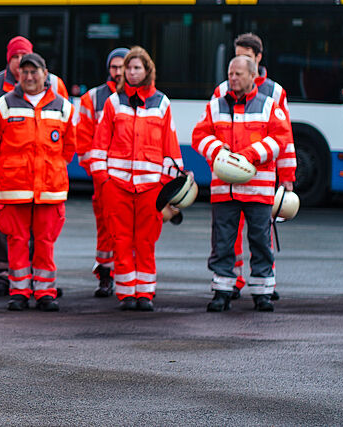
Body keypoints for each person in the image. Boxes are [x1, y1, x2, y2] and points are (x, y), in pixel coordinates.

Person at [194, 56, 292, 312]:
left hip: (258, 190)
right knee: (222, 241)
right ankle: (222, 290)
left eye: (238, 74)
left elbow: (281, 138)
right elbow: (199, 135)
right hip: (224, 189)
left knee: (260, 241)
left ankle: (262, 293)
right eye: (230, 74)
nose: (233, 78)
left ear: (252, 76)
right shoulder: (216, 106)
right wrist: (218, 151)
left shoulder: (269, 106)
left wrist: (248, 156)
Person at [0, 36, 68, 297]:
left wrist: (50, 163)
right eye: (16, 59)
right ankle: (5, 278)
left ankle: (39, 284)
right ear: (9, 60)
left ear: (42, 71)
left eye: (25, 61)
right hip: (8, 177)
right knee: (5, 231)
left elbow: (67, 138)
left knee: (41, 236)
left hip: (43, 180)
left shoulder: (57, 87)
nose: (21, 68)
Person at [91, 46, 183, 312]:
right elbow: (99, 147)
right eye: (128, 68)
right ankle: (126, 294)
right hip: (117, 186)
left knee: (145, 241)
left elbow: (171, 148)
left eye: (137, 68)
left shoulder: (161, 103)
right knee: (121, 240)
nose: (131, 73)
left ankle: (145, 294)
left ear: (147, 71)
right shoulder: (113, 103)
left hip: (150, 188)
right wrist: (104, 182)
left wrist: (168, 187)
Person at [214, 33, 296, 301]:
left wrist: (287, 176)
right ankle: (232, 281)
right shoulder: (222, 91)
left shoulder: (274, 93)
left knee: (261, 236)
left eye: (246, 57)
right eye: (236, 56)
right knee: (228, 236)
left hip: (258, 180)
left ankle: (263, 285)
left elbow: (285, 138)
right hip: (227, 183)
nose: (239, 63)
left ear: (258, 58)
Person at [75, 47, 126, 298]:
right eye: (113, 67)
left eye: (122, 66)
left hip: (132, 179)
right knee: (106, 229)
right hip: (104, 180)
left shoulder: (145, 98)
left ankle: (130, 277)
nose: (117, 72)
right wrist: (98, 174)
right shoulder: (92, 98)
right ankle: (105, 276)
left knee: (132, 231)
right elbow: (83, 141)